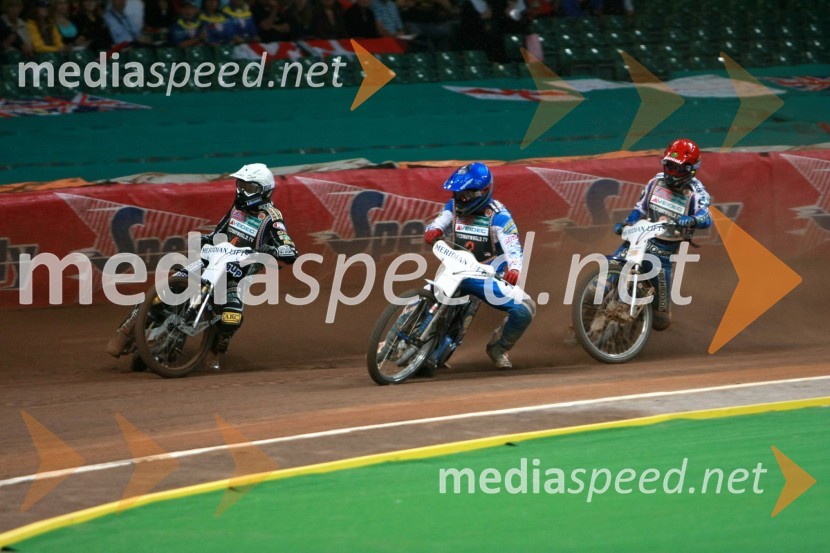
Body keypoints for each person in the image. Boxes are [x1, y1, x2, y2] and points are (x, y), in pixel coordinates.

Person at [106, 163, 299, 371]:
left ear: (264, 190)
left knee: (230, 318)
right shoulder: (237, 209)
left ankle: (215, 350)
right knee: (167, 289)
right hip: (212, 261)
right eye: (240, 184)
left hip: (237, 275)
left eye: (249, 188)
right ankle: (127, 328)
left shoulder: (272, 217)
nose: (242, 191)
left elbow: (288, 245)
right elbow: (219, 231)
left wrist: (279, 250)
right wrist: (206, 239)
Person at [423, 162, 536, 369]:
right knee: (426, 294)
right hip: (454, 268)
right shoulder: (453, 206)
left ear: (482, 192)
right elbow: (440, 221)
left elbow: (513, 247)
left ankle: (498, 347)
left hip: (485, 274)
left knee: (525, 308)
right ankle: (396, 337)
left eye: (465, 194)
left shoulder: (499, 216)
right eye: (458, 194)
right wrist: (434, 230)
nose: (460, 199)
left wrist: (514, 269)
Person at [612, 138, 711, 330]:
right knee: (612, 268)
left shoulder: (697, 192)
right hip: (639, 238)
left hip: (664, 251)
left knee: (661, 319)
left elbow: (706, 218)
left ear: (691, 169)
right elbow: (640, 209)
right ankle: (588, 309)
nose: (672, 173)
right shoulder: (655, 182)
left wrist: (691, 220)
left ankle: (640, 322)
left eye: (679, 168)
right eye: (669, 165)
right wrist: (627, 223)